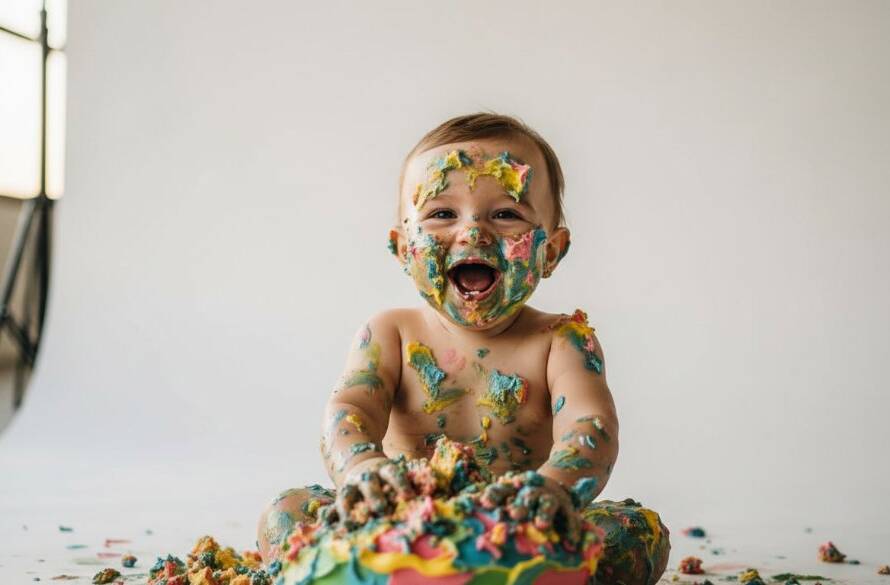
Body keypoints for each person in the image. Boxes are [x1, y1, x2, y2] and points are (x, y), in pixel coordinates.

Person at [257, 113, 670, 584]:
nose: (473, 233)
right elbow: (349, 409)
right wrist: (363, 472)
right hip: (402, 522)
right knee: (287, 512)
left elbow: (591, 425)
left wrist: (552, 491)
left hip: (515, 528)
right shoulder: (390, 333)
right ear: (402, 248)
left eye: (506, 214)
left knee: (634, 530)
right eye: (441, 214)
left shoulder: (563, 342)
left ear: (551, 251)